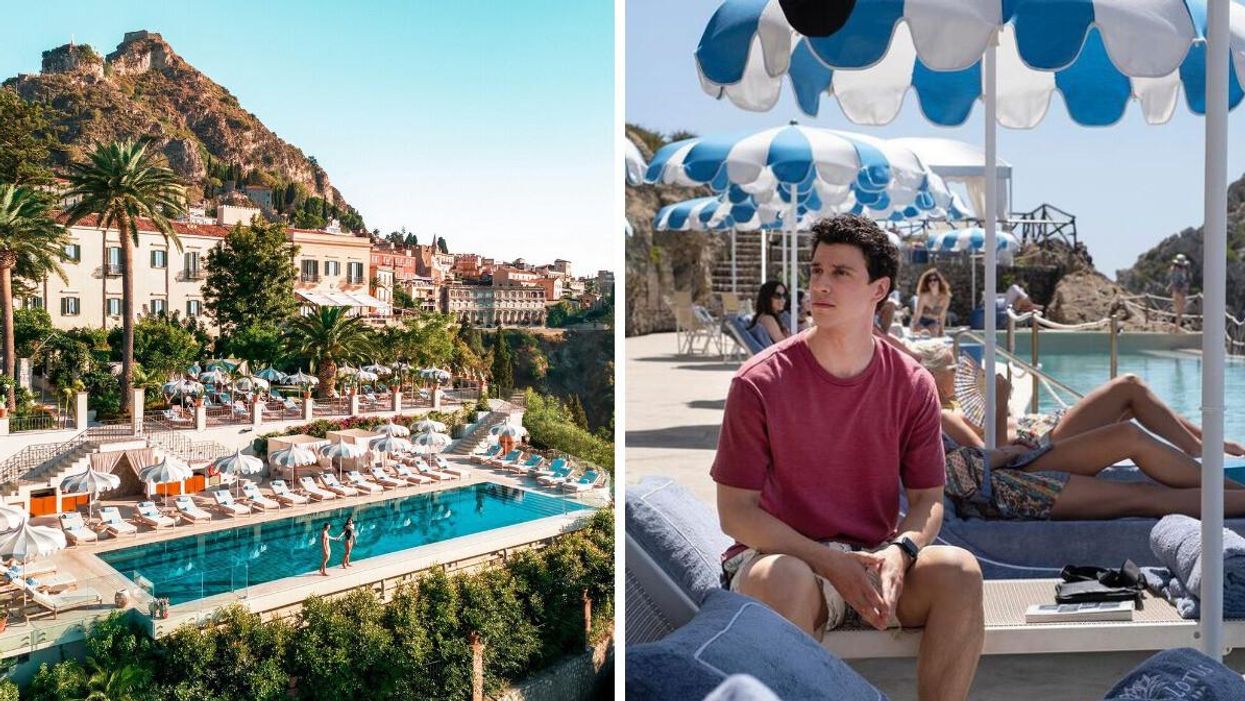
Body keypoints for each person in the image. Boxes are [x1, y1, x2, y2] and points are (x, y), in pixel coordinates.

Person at [713, 215, 984, 701]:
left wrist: (901, 552)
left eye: (841, 273)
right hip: (780, 558)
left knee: (959, 571)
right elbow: (735, 513)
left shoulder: (912, 383)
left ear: (878, 289)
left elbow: (928, 500)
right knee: (786, 578)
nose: (820, 283)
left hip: (871, 559)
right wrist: (826, 562)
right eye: (816, 270)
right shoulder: (759, 382)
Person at [912, 343, 1245, 521]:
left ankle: (1200, 450)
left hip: (1034, 444)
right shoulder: (943, 414)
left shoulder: (953, 407)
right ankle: (1220, 476)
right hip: (1025, 463)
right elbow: (992, 460)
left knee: (1129, 399)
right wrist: (1000, 405)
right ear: (931, 374)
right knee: (1128, 406)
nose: (958, 370)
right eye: (951, 366)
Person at [911, 268, 951, 336]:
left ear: (939, 281)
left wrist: (941, 329)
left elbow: (943, 315)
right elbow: (918, 313)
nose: (932, 282)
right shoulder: (923, 296)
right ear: (927, 283)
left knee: (934, 331)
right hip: (921, 320)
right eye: (930, 280)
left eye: (935, 280)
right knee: (922, 332)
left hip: (933, 321)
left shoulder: (945, 297)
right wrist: (914, 325)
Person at [748, 280, 789, 345]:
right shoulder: (767, 319)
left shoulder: (764, 316)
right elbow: (784, 344)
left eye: (784, 295)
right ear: (767, 297)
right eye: (777, 296)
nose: (782, 300)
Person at [1169, 253, 1191, 331]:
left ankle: (1176, 327)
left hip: (1174, 292)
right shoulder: (1182, 271)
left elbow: (1172, 281)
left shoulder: (1173, 269)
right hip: (1180, 292)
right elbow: (1184, 282)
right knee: (1180, 312)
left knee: (1176, 310)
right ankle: (1176, 328)